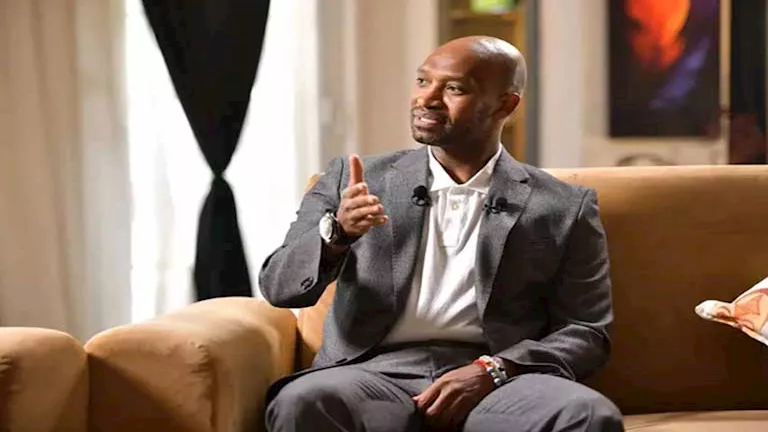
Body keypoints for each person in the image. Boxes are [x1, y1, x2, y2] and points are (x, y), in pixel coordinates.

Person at [259, 35, 623, 432]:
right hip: (371, 374)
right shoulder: (354, 179)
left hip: (500, 380)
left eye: (454, 89)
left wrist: (495, 369)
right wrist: (337, 235)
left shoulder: (564, 205)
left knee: (589, 416)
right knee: (304, 402)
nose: (427, 99)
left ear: (505, 105)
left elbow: (586, 332)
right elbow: (280, 288)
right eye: (422, 82)